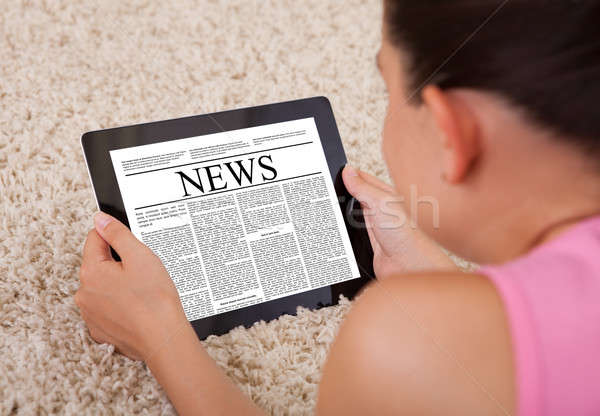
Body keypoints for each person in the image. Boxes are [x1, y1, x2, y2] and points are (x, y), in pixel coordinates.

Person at [75, 1, 600, 414]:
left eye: (387, 90)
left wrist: (160, 335)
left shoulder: (394, 341)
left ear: (449, 132)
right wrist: (437, 278)